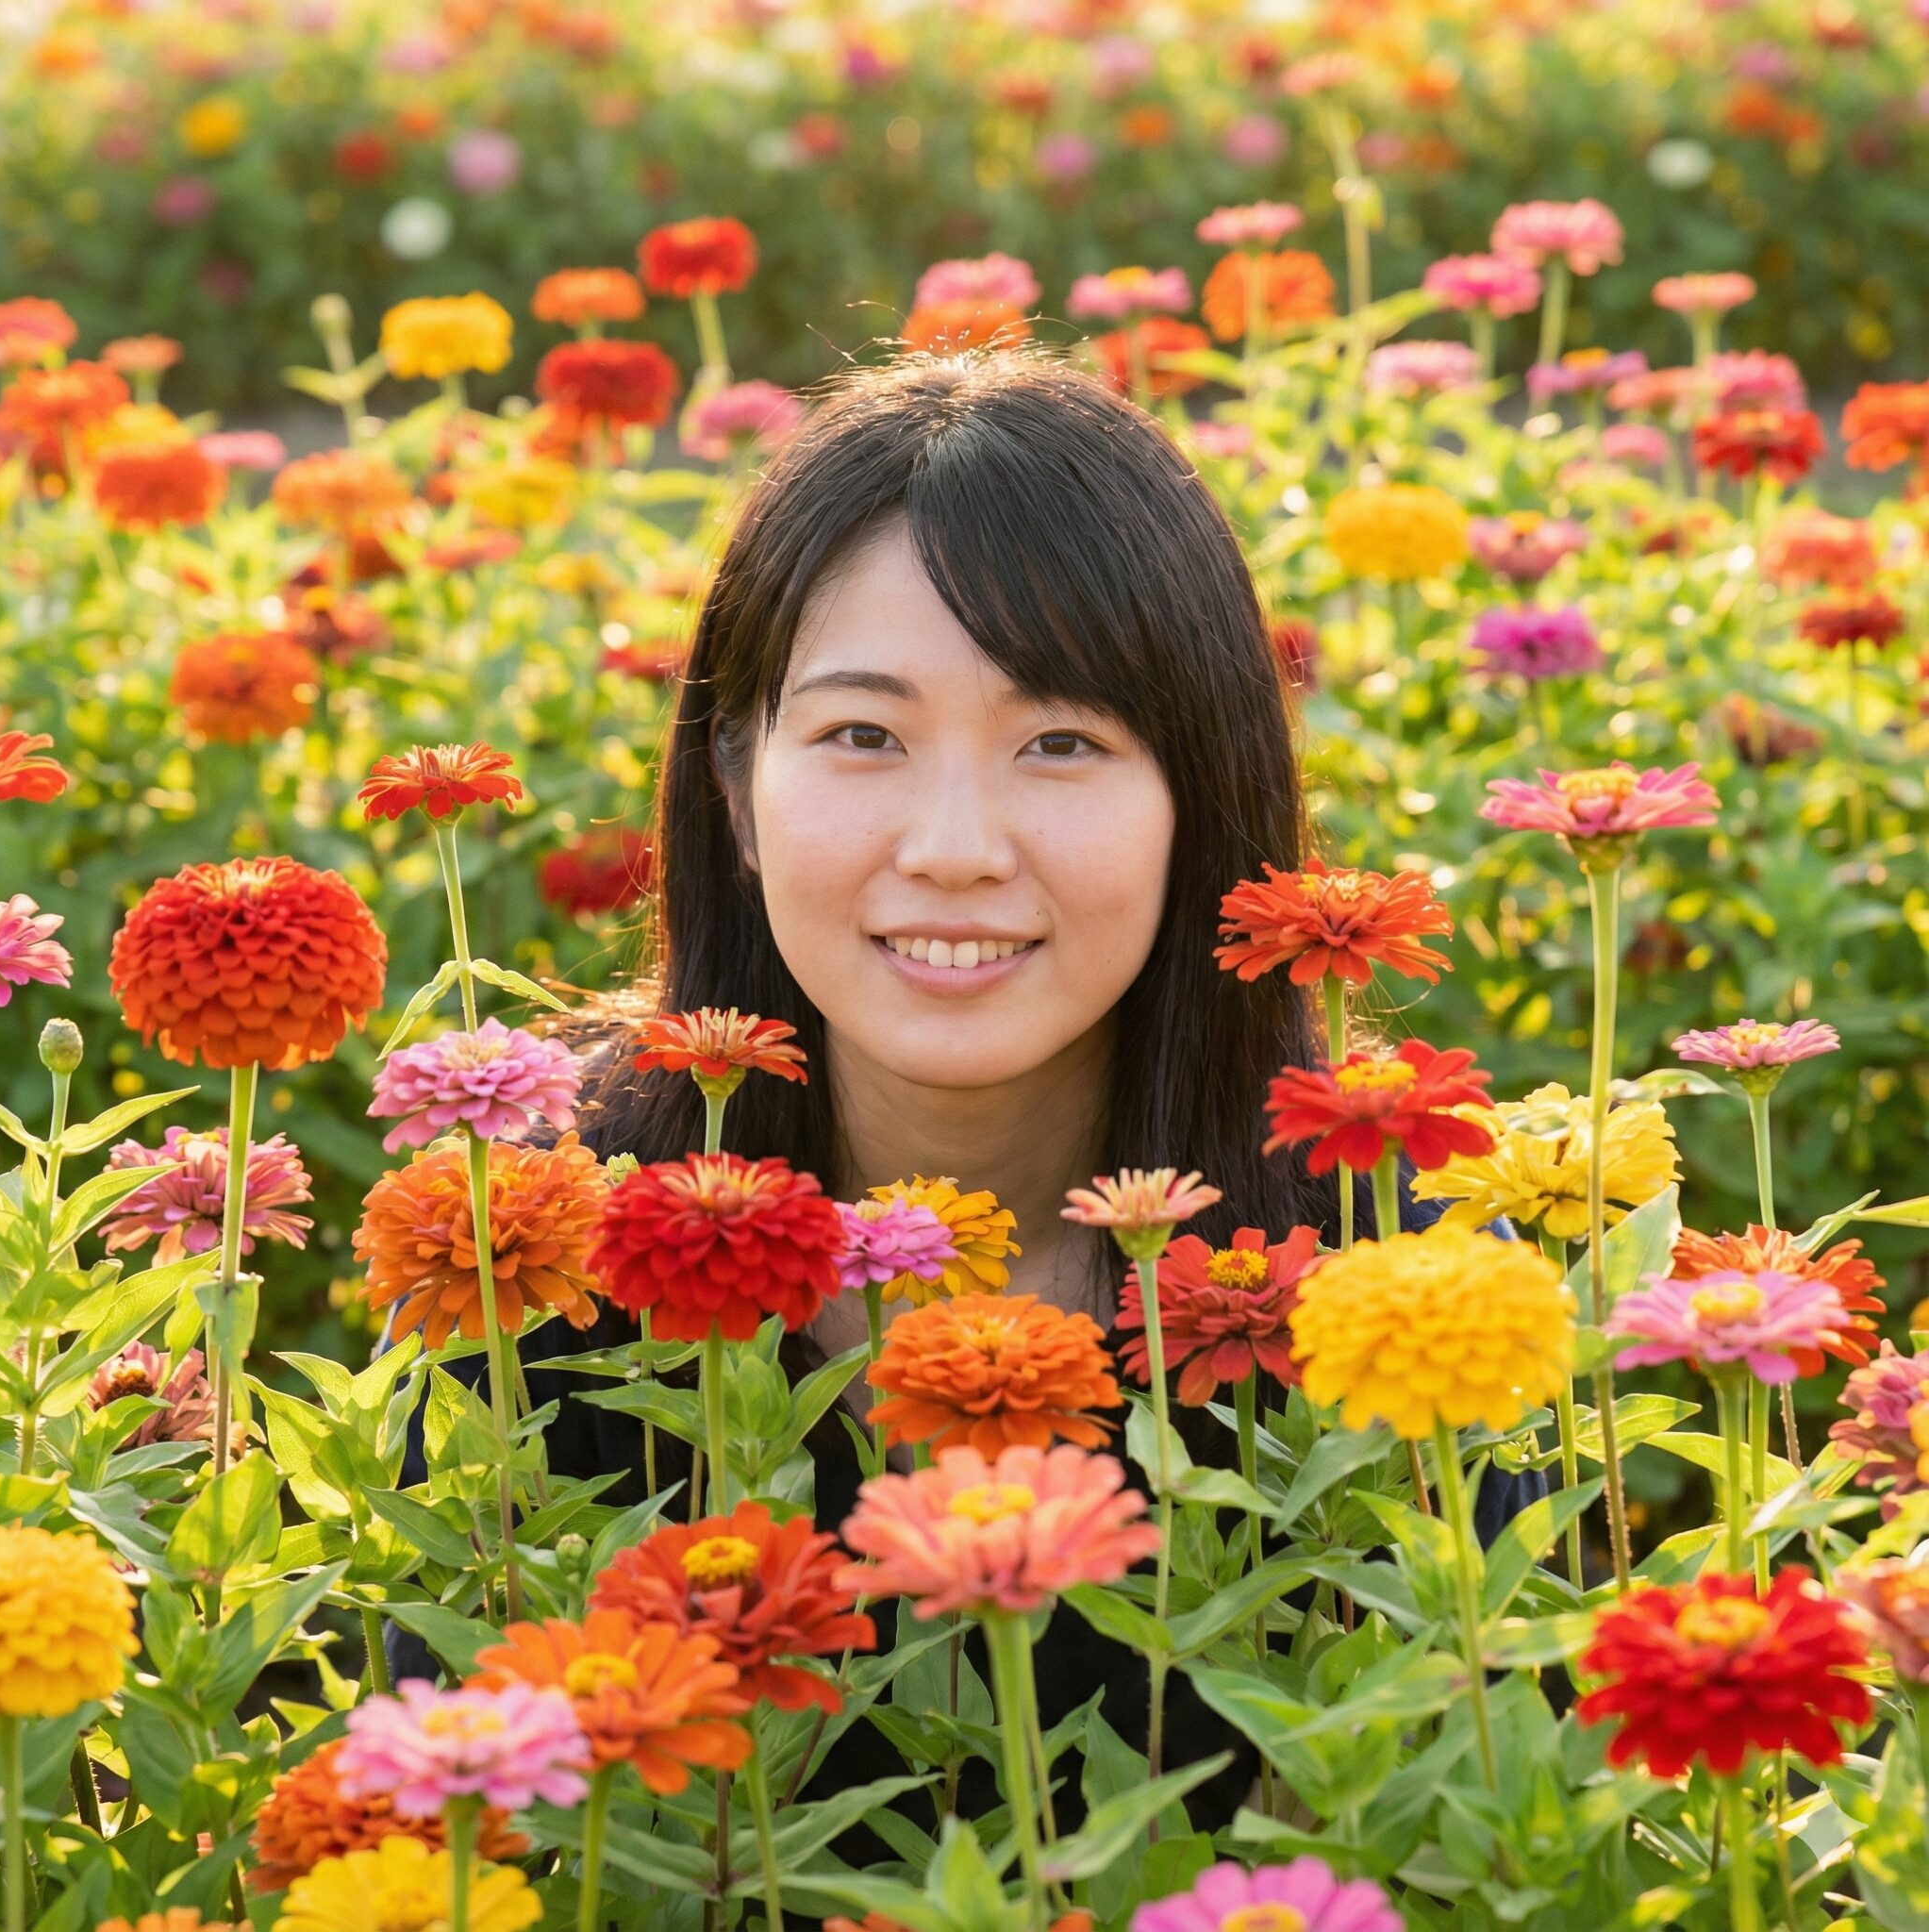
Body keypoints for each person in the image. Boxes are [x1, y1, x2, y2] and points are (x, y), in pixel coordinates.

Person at [397, 344, 1541, 1836]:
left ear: (1201, 798)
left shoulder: (1399, 1280)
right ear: (738, 789)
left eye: (1060, 742)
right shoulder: (544, 1249)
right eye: (863, 734)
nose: (954, 847)